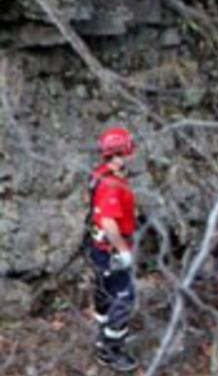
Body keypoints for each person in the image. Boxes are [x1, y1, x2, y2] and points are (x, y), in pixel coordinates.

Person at [88, 127, 139, 372]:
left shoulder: (101, 174)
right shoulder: (111, 184)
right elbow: (109, 222)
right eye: (129, 150)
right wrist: (123, 251)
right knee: (124, 297)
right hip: (111, 250)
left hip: (99, 247)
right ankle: (111, 349)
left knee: (104, 291)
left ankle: (103, 332)